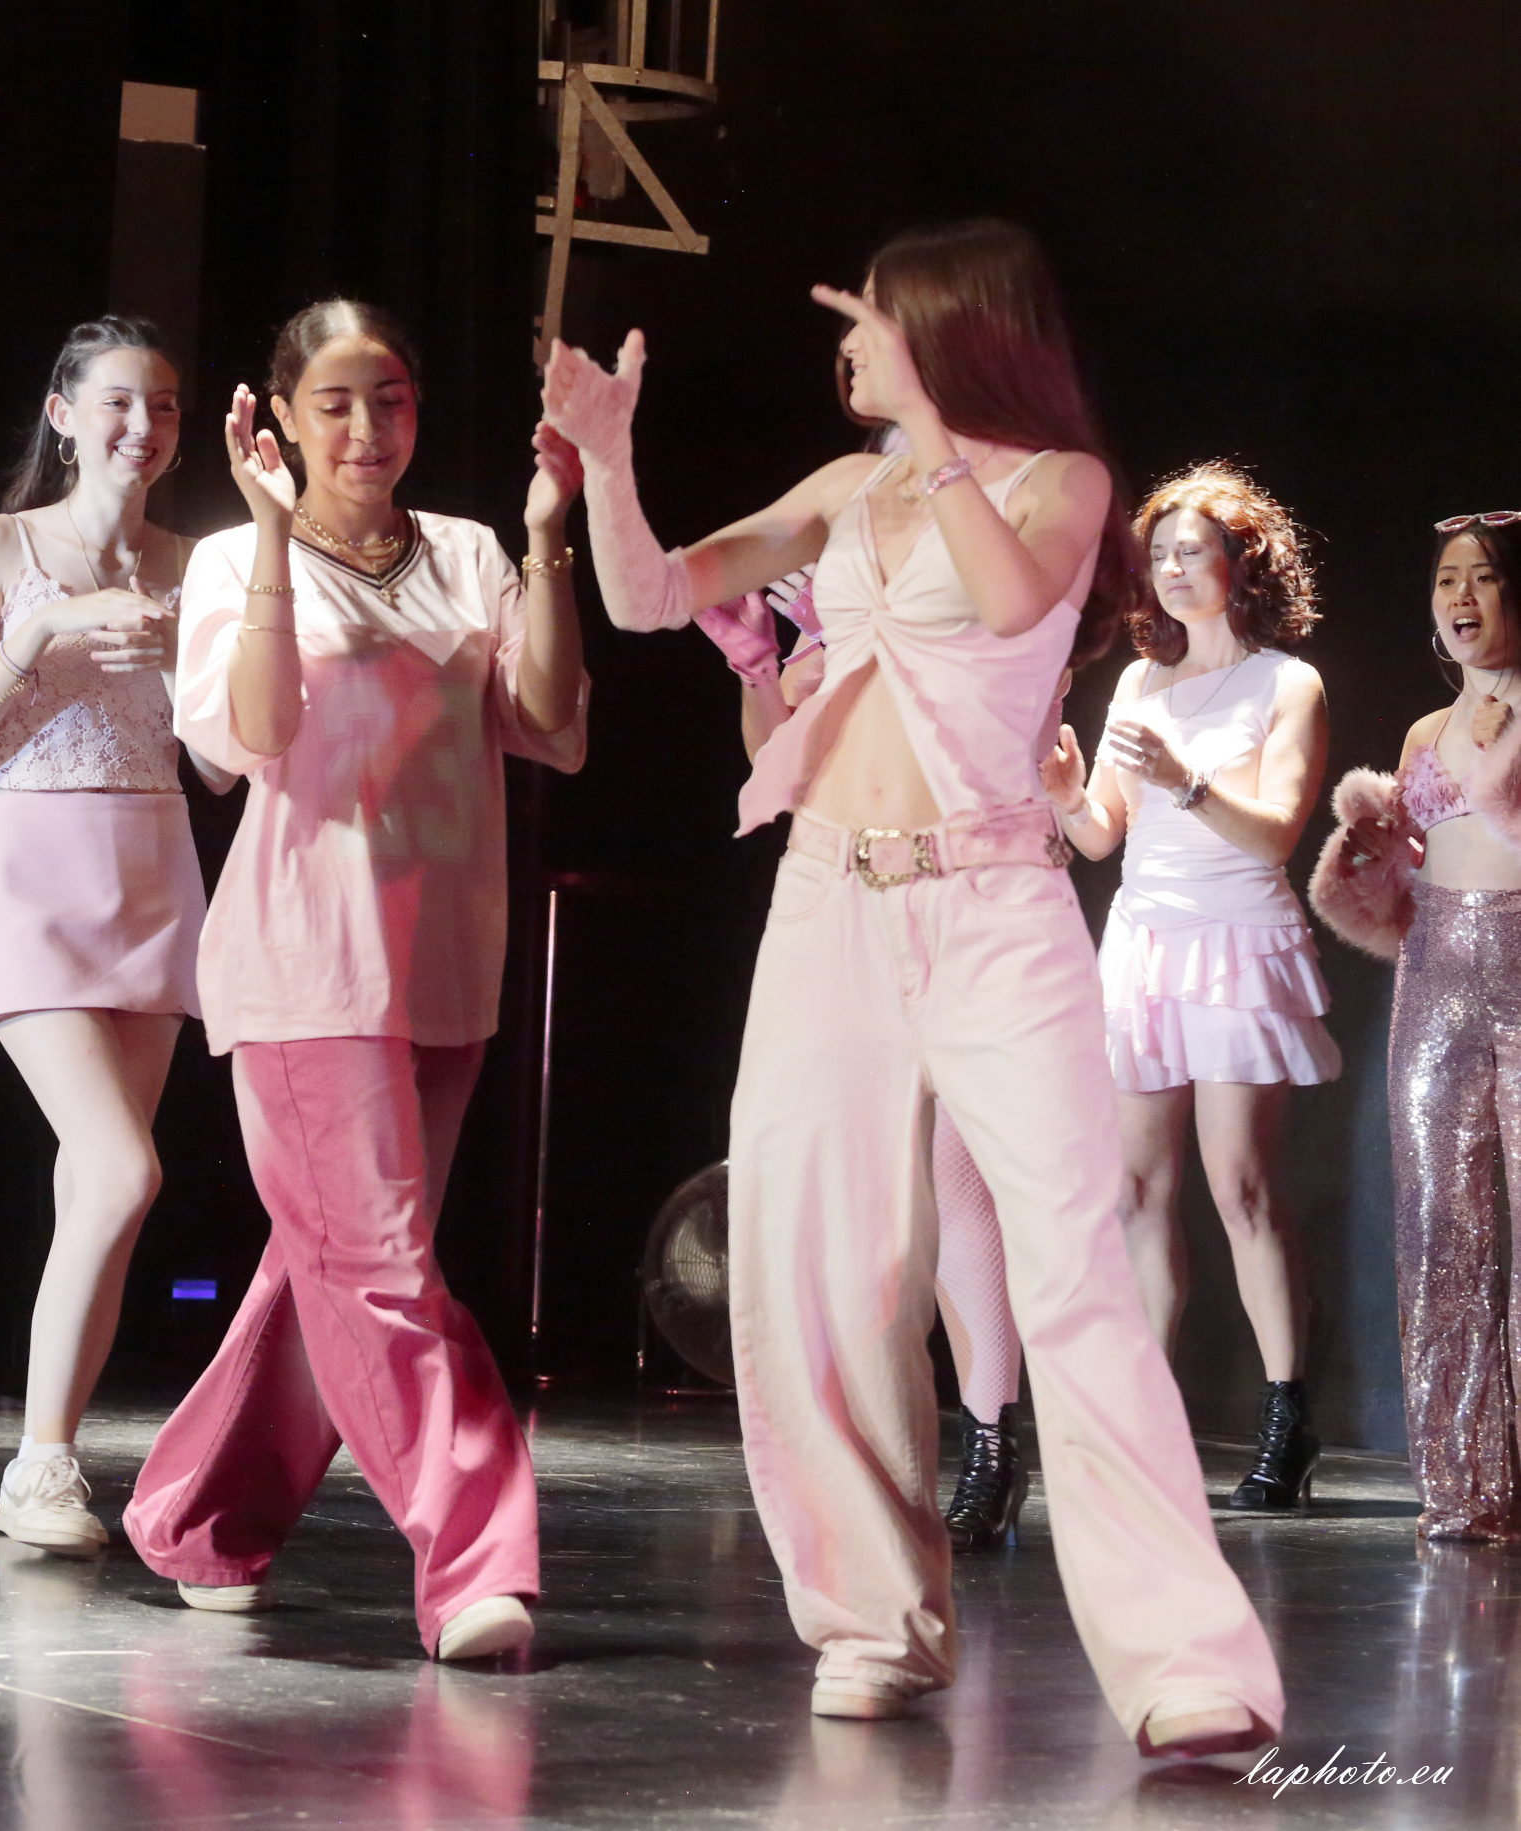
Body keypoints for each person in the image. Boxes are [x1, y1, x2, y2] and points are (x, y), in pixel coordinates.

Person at [545, 218, 1281, 1753]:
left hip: (995, 898)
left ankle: (1179, 1658)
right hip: (829, 895)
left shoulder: (1059, 484)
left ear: (949, 331)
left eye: (873, 318)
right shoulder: (841, 489)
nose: (848, 341)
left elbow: (1008, 604)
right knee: (819, 1264)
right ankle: (873, 1617)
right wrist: (607, 464)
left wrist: (934, 438)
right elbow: (649, 596)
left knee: (1069, 1268)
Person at [119, 300, 587, 1662]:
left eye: (387, 398)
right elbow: (252, 732)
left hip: (441, 959)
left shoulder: (468, 551)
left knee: (329, 1265)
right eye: (332, 402)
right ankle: (475, 1559)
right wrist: (272, 535)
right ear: (277, 417)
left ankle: (199, 1512)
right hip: (301, 963)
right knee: (375, 1262)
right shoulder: (228, 557)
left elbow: (547, 719)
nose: (365, 428)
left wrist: (548, 538)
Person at [0, 318, 210, 1553]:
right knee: (122, 1170)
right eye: (117, 402)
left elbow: (221, 762)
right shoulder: (0, 544)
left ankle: (52, 1451)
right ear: (62, 414)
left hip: (154, 866)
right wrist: (33, 635)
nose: (142, 426)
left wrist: (190, 652)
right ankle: (37, 1465)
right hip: (34, 861)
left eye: (163, 406)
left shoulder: (199, 561)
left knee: (96, 1187)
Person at [706, 570, 1028, 1552]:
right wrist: (760, 665)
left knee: (956, 1179)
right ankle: (866, 1456)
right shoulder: (824, 623)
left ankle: (991, 1442)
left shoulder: (972, 586)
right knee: (858, 1195)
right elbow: (775, 768)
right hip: (842, 908)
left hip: (963, 891)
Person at [1040, 462, 1337, 1508]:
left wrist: (1183, 779)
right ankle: (1141, 1428)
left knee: (1240, 1185)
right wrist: (1066, 795)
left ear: (1238, 563)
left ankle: (1286, 1419)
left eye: (1190, 550)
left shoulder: (1284, 683)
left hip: (1236, 941)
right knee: (1133, 1191)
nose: (1169, 568)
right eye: (1156, 553)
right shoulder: (1137, 681)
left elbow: (1276, 834)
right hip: (1143, 941)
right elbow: (1098, 837)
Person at [1311, 513, 1521, 1542]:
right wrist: (1366, 851)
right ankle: (1463, 1484)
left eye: (1483, 576)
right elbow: (1399, 879)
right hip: (1435, 979)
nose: (1461, 595)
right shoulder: (1420, 733)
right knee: (1440, 1226)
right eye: (1446, 578)